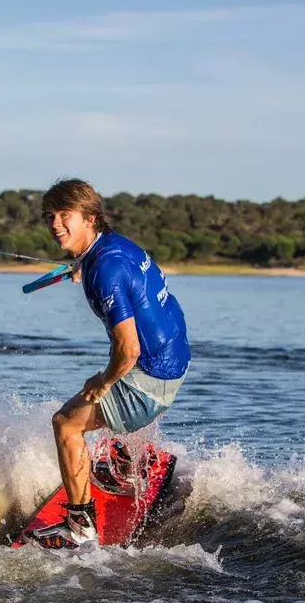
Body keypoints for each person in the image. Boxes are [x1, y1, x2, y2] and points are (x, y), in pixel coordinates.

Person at [28, 178, 190, 550]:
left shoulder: (105, 269)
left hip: (151, 378)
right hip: (176, 360)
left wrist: (103, 382)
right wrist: (84, 266)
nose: (55, 224)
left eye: (64, 215)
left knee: (66, 423)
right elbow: (126, 280)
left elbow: (128, 350)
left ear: (90, 217)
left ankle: (79, 526)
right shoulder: (116, 248)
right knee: (106, 393)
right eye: (49, 216)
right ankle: (128, 463)